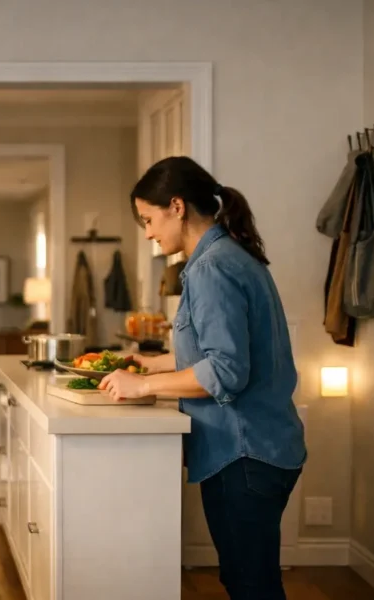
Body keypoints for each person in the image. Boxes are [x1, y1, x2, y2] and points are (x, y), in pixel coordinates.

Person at [99, 156, 307, 599]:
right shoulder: (229, 256)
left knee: (252, 586)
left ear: (177, 206)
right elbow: (214, 352)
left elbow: (226, 371)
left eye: (149, 219)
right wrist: (146, 364)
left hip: (244, 452)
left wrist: (144, 386)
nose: (149, 232)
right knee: (247, 579)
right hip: (263, 447)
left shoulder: (212, 267)